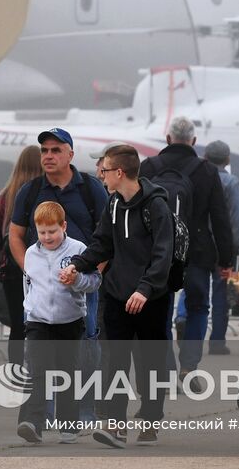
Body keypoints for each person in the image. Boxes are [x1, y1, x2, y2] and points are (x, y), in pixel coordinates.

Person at [64, 143, 174, 448]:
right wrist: (77, 264)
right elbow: (102, 244)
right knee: (115, 361)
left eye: (105, 169)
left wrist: (145, 289)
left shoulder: (157, 206)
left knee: (150, 364)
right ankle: (115, 425)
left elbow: (163, 253)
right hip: (116, 294)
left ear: (120, 172)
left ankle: (151, 421)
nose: (101, 175)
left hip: (152, 298)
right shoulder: (113, 205)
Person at [141, 117, 235, 377]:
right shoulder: (207, 171)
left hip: (157, 250)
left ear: (168, 138)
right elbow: (220, 217)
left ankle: (167, 365)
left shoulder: (149, 167)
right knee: (197, 306)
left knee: (161, 306)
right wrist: (227, 259)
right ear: (193, 141)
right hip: (197, 250)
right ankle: (188, 365)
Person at [8, 129, 108, 370]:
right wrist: (31, 268)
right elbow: (15, 234)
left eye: (56, 150)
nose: (48, 156)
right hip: (41, 290)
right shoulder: (30, 191)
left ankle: (83, 405)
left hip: (83, 285)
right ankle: (43, 406)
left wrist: (94, 272)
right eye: (44, 150)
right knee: (38, 349)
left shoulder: (91, 188)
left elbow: (106, 237)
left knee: (86, 342)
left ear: (70, 154)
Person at [16, 202, 101, 445]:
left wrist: (76, 280)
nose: (47, 237)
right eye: (42, 232)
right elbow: (28, 284)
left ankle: (69, 425)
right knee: (38, 371)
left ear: (63, 226)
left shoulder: (78, 250)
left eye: (52, 231)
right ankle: (32, 423)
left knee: (67, 373)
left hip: (70, 321)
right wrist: (29, 309)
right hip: (38, 321)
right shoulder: (32, 253)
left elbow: (95, 281)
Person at [0, 146, 43, 366]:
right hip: (43, 267)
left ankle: (16, 372)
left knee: (18, 325)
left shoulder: (6, 196)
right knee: (44, 323)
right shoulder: (45, 193)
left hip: (11, 269)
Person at [205, 140, 239, 353]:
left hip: (200, 245)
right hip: (224, 247)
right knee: (221, 292)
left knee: (195, 287)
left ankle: (184, 317)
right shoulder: (231, 183)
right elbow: (238, 219)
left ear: (205, 158)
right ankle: (217, 342)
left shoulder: (198, 179)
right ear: (228, 159)